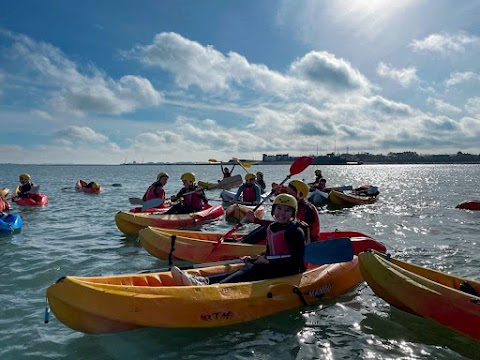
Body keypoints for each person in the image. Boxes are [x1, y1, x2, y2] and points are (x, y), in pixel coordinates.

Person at [171, 194, 306, 286]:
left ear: (293, 214)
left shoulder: (294, 231)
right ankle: (205, 280)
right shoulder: (272, 227)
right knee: (248, 266)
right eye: (279, 209)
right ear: (274, 210)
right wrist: (258, 258)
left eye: (287, 211)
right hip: (274, 266)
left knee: (251, 270)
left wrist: (267, 261)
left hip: (289, 270)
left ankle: (211, 286)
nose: (282, 213)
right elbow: (271, 253)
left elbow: (296, 261)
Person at [244, 179, 320, 243]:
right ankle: (244, 240)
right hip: (295, 236)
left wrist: (256, 220)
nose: (287, 196)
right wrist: (276, 190)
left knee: (269, 226)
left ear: (299, 194)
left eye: (290, 194)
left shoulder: (303, 208)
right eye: (287, 193)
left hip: (306, 242)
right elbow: (278, 187)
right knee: (268, 226)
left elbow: (282, 224)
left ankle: (244, 243)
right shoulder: (297, 202)